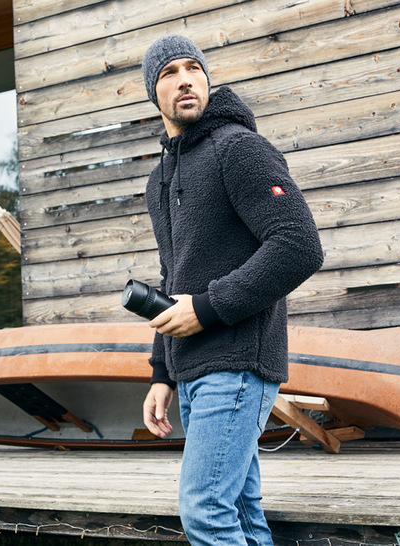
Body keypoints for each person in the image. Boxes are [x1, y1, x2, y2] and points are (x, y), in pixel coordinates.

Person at [140, 34, 324, 546]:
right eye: (169, 73)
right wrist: (161, 373)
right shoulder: (159, 182)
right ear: (153, 92)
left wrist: (207, 307)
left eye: (193, 68)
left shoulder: (238, 148)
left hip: (238, 363)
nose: (185, 80)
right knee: (239, 512)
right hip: (191, 369)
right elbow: (173, 278)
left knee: (204, 511)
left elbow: (298, 245)